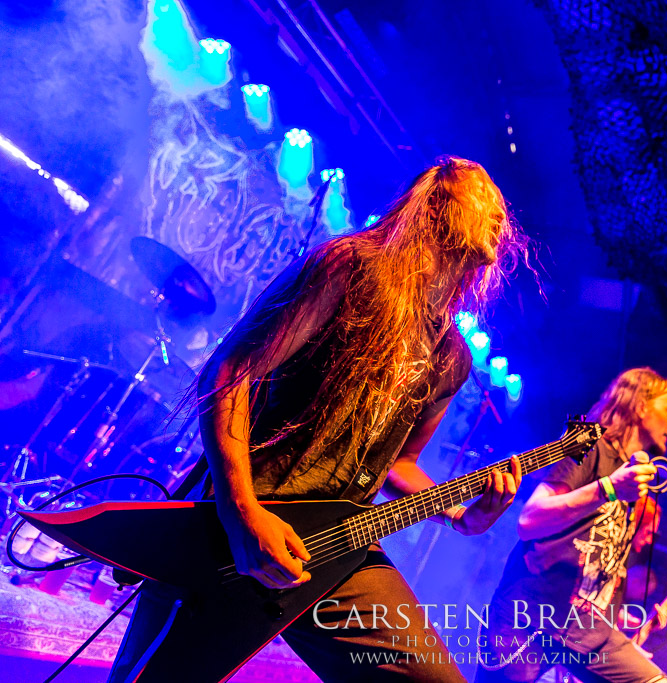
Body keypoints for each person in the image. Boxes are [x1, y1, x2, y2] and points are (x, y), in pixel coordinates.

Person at [108, 156, 528, 683]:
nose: (498, 214)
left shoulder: (451, 356)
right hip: (244, 520)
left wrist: (460, 513)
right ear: (436, 204)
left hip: (339, 543)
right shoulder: (350, 266)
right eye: (480, 195)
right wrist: (241, 512)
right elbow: (231, 372)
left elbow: (400, 464)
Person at [477, 367, 667, 683]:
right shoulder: (589, 445)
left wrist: (617, 624)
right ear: (641, 407)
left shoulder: (631, 479)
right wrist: (608, 488)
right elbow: (529, 520)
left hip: (590, 635)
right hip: (530, 621)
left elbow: (595, 564)